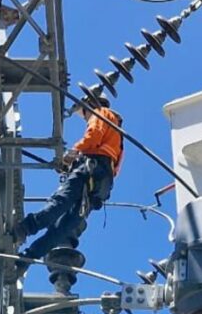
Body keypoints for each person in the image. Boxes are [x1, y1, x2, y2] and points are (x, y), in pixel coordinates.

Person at [14, 96, 124, 259]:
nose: (85, 118)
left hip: (89, 171)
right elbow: (114, 165)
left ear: (90, 106)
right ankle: (27, 258)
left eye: (84, 114)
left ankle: (24, 229)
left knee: (60, 202)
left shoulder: (101, 113)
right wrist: (71, 166)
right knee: (64, 228)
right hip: (101, 185)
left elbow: (94, 136)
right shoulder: (118, 134)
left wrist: (72, 154)